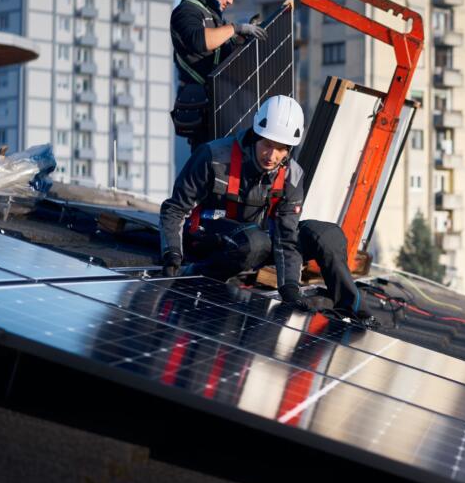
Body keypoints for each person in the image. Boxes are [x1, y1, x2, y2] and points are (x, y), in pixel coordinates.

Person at [159, 94, 373, 323]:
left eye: (281, 149)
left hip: (255, 242)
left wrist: (289, 288)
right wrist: (172, 253)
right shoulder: (213, 156)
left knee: (326, 235)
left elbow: (286, 237)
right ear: (256, 134)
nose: (272, 156)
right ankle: (200, 274)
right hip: (210, 237)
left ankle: (353, 309)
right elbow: (175, 209)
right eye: (268, 145)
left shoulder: (292, 175)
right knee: (254, 242)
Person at [169, 0, 268, 150]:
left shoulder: (213, 17)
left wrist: (240, 40)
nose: (231, 1)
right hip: (204, 117)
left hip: (221, 110)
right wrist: (235, 28)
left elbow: (221, 56)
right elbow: (199, 41)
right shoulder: (186, 11)